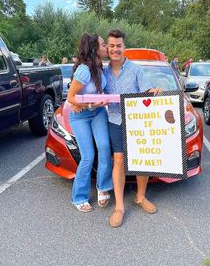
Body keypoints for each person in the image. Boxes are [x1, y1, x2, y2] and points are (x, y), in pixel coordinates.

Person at [104, 29, 161, 228]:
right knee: (118, 159)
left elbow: (147, 92)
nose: (115, 49)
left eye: (118, 45)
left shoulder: (136, 70)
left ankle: (140, 197)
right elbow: (93, 92)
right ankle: (119, 207)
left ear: (124, 47)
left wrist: (154, 92)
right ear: (108, 48)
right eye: (111, 46)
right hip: (114, 120)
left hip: (137, 121)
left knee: (141, 159)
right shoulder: (102, 72)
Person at [67, 33, 113, 212]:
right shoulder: (84, 70)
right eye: (103, 45)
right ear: (95, 49)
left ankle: (103, 187)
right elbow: (71, 97)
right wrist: (87, 103)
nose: (107, 47)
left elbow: (104, 92)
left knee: (104, 146)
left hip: (98, 113)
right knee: (88, 155)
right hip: (80, 116)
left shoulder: (101, 68)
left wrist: (103, 101)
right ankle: (79, 197)